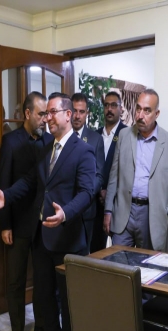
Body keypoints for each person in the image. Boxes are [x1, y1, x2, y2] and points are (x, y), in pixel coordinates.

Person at [0, 92, 95, 331]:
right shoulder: (46, 148)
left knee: (67, 301)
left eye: (52, 112)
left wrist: (66, 213)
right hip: (42, 238)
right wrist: (6, 196)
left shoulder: (83, 151)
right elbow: (30, 182)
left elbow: (87, 192)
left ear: (68, 114)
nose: (48, 118)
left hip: (68, 239)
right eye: (45, 113)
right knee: (44, 298)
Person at [104, 89, 168, 251]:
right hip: (123, 214)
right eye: (138, 108)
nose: (140, 115)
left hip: (152, 216)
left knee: (148, 264)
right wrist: (108, 211)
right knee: (116, 261)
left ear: (157, 114)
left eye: (147, 110)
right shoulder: (124, 136)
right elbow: (114, 177)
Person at [0, 91, 52, 331]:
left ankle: (41, 324)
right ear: (27, 114)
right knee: (16, 280)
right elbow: (4, 183)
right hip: (18, 223)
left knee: (42, 278)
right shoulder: (11, 141)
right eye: (41, 114)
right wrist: (4, 224)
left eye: (47, 114)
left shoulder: (50, 141)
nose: (45, 119)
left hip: (43, 223)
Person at [92, 91, 128, 253]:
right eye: (106, 105)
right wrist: (99, 190)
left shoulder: (127, 134)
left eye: (114, 105)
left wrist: (110, 192)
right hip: (95, 201)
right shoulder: (94, 135)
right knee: (95, 251)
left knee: (117, 252)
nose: (109, 109)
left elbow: (127, 171)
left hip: (117, 204)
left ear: (121, 108)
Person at [70, 93, 104, 254]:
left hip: (86, 209)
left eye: (81, 112)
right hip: (64, 205)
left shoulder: (95, 139)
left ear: (87, 113)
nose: (77, 116)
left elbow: (99, 175)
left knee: (84, 255)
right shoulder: (62, 135)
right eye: (74, 111)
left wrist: (87, 192)